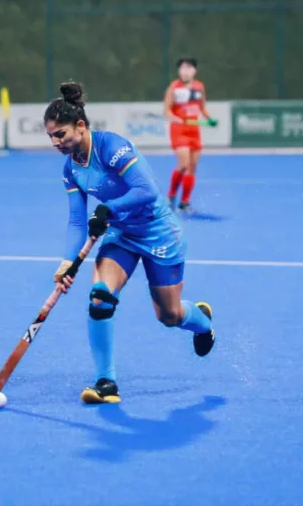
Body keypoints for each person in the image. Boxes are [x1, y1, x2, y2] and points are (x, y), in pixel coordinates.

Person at [46, 82, 216, 404]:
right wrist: (68, 262)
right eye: (51, 136)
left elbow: (147, 190)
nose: (56, 142)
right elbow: (77, 221)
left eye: (61, 134)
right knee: (100, 297)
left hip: (157, 232)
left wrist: (109, 209)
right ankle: (106, 382)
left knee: (169, 316)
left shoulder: (111, 147)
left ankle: (202, 321)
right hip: (121, 235)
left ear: (80, 126)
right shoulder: (71, 169)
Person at [163, 57, 217, 215]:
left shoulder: (199, 87)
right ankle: (171, 196)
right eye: (182, 68)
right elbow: (167, 110)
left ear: (194, 70)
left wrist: (209, 119)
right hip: (179, 130)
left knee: (192, 167)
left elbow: (202, 108)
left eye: (189, 68)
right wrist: (176, 118)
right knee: (183, 164)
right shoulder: (174, 87)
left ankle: (184, 203)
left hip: (194, 131)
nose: (185, 71)